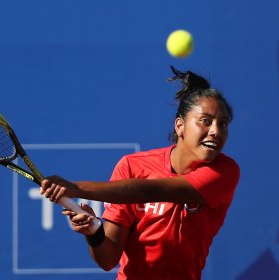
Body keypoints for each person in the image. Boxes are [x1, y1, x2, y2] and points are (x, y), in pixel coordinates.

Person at [40, 66, 240, 280]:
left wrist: (77, 189)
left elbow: (148, 191)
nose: (216, 131)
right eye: (206, 121)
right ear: (180, 126)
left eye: (223, 124)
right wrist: (94, 232)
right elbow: (108, 260)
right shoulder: (132, 166)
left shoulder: (224, 172)